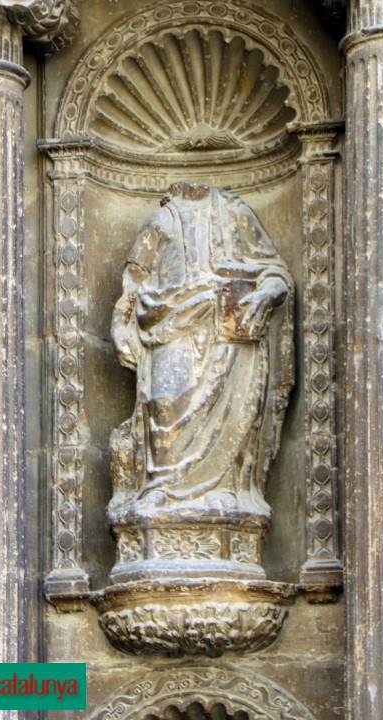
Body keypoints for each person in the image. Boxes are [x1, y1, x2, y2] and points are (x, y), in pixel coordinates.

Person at [108, 181, 294, 522]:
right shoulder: (159, 220)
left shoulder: (236, 213)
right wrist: (120, 325)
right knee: (163, 402)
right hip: (168, 325)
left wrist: (269, 292)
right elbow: (133, 280)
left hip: (228, 334)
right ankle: (160, 487)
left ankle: (224, 490)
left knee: (233, 410)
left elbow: (275, 270)